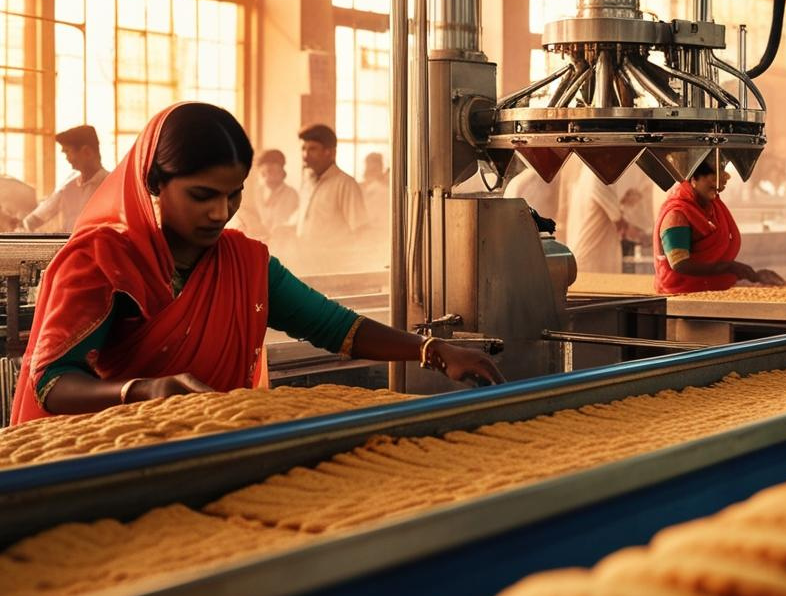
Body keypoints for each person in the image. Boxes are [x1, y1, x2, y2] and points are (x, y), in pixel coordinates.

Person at [9, 102, 502, 426]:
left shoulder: (244, 264)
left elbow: (334, 327)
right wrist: (143, 391)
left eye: (233, 194)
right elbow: (53, 383)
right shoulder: (101, 263)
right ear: (154, 184)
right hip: (106, 461)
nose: (221, 213)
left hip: (206, 451)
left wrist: (431, 349)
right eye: (202, 196)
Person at [654, 156, 786, 294]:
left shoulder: (711, 207)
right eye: (712, 184)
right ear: (693, 178)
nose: (719, 187)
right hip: (681, 291)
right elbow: (680, 264)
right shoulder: (677, 214)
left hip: (708, 286)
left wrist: (752, 275)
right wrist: (729, 267)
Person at [23, 125, 109, 232]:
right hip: (70, 246)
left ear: (87, 152)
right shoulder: (68, 187)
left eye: (68, 152)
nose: (67, 159)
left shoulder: (111, 185)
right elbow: (36, 219)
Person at [296, 123, 368, 249]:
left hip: (334, 262)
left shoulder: (345, 184)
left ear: (329, 152)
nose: (305, 155)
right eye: (303, 149)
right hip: (307, 259)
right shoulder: (307, 183)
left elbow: (361, 230)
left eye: (312, 149)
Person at [562, 160, 629, 275]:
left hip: (585, 261)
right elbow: (620, 224)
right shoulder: (599, 177)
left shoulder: (585, 174)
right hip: (593, 265)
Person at [245, 148, 299, 239]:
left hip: (282, 242)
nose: (268, 173)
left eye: (273, 169)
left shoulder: (291, 194)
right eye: (265, 172)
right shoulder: (257, 193)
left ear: (282, 171)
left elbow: (293, 223)